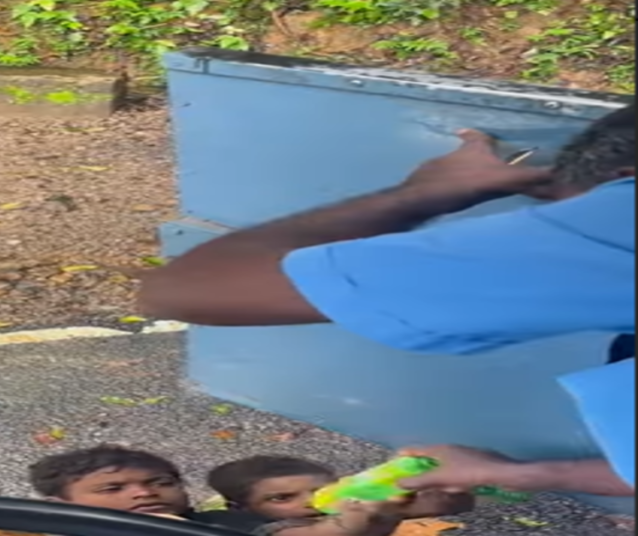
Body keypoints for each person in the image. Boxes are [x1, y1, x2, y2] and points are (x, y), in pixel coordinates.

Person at [138, 102, 636, 496]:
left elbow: (185, 288)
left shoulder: (618, 217)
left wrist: (423, 193)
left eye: (564, 214)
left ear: (619, 181)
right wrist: (526, 474)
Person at [0, 444, 406, 535]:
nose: (142, 493)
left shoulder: (221, 523)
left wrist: (369, 510)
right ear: (59, 507)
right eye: (112, 488)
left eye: (160, 483)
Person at [206, 455, 473, 535]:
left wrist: (447, 492)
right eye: (282, 498)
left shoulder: (361, 503)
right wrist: (358, 508)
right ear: (240, 508)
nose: (311, 501)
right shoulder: (271, 529)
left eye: (323, 491)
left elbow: (459, 504)